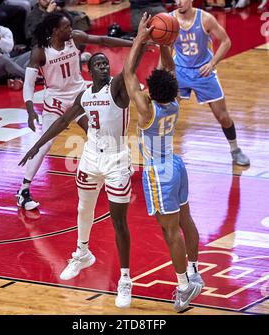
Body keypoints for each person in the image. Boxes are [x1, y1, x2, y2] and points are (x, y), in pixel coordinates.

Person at [19, 52, 133, 308]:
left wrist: (139, 39)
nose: (104, 67)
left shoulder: (116, 88)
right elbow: (62, 120)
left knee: (119, 222)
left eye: (106, 64)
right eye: (98, 64)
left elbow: (130, 65)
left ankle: (125, 279)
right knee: (84, 208)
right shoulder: (85, 95)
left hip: (116, 159)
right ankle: (82, 253)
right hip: (91, 157)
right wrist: (36, 146)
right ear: (89, 71)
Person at [123, 13, 203, 312]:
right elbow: (168, 69)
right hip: (177, 164)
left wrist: (142, 39)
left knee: (170, 231)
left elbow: (129, 74)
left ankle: (184, 286)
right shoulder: (172, 102)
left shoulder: (146, 110)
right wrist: (165, 42)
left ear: (150, 92)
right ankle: (195, 271)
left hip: (159, 171)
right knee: (186, 220)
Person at [17, 11, 133, 211]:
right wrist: (29, 109)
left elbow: (104, 40)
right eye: (66, 27)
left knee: (99, 132)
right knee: (44, 144)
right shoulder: (40, 51)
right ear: (55, 30)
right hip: (56, 102)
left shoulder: (75, 38)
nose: (70, 29)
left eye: (70, 26)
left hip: (80, 96)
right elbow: (28, 85)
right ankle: (24, 190)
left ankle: (115, 168)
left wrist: (135, 43)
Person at [172, 0, 250, 166]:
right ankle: (161, 152)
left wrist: (212, 63)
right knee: (166, 112)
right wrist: (162, 71)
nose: (178, 2)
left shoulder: (205, 19)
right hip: (180, 70)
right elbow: (165, 47)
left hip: (203, 71)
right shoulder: (170, 20)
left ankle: (235, 149)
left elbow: (226, 41)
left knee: (222, 116)